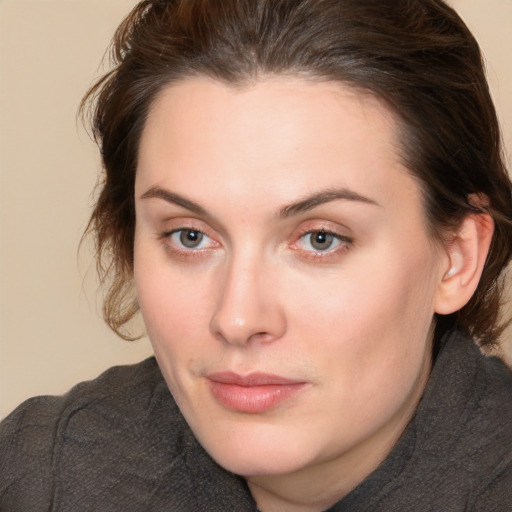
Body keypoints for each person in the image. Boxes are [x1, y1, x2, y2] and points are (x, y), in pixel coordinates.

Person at [1, 0, 512, 510]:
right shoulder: (38, 477)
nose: (238, 318)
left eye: (320, 239)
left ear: (456, 258)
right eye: (190, 236)